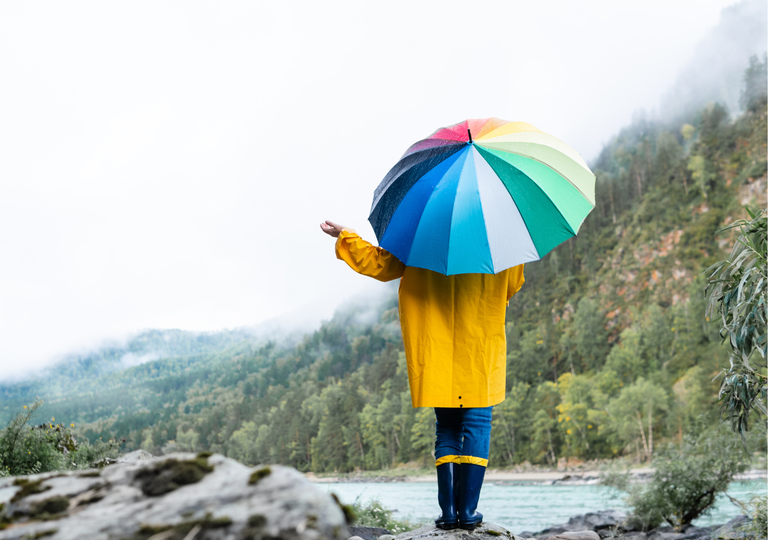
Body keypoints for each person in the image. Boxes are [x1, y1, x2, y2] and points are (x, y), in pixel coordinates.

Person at [320, 220, 524, 530]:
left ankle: (447, 514)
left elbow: (381, 264)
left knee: (448, 428)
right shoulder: (502, 238)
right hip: (480, 349)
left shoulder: (423, 231)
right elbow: (512, 286)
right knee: (477, 424)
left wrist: (345, 236)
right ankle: (467, 513)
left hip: (437, 349)